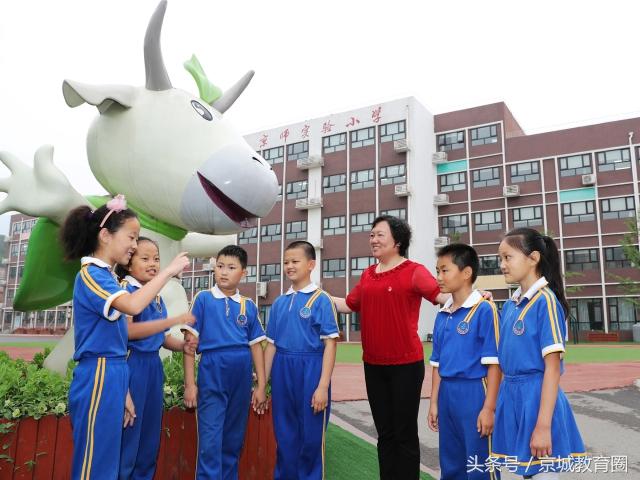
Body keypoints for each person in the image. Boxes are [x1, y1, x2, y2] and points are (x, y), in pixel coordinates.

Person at [60, 195, 190, 480]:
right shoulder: (92, 274)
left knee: (108, 464)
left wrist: (125, 392)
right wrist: (168, 271)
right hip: (99, 372)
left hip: (116, 370)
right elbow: (131, 307)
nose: (134, 244)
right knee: (94, 465)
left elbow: (118, 337)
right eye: (131, 237)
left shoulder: (105, 276)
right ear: (105, 235)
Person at [332, 214, 448, 480]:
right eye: (372, 235)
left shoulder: (414, 271)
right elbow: (349, 305)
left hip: (406, 365)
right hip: (373, 364)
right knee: (384, 434)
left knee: (404, 433)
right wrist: (314, 295)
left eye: (379, 234)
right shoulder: (368, 275)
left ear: (397, 241)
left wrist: (475, 296)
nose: (373, 239)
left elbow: (441, 296)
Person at [492, 228, 585, 479]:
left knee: (542, 473)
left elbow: (552, 369)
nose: (502, 265)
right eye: (500, 258)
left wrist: (543, 426)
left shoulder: (545, 301)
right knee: (526, 473)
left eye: (507, 257)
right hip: (512, 396)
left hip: (537, 399)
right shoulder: (511, 305)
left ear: (533, 258)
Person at [182, 244, 268, 480]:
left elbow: (256, 346)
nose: (223, 272)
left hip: (240, 376)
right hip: (212, 372)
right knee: (210, 442)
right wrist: (190, 384)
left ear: (244, 272)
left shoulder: (248, 305)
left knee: (233, 440)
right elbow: (190, 344)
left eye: (231, 267)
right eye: (220, 266)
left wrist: (260, 385)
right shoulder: (203, 299)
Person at [116, 237, 196, 480]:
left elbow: (160, 338)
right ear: (129, 264)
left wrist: (184, 346)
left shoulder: (155, 296)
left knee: (149, 437)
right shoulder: (125, 292)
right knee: (130, 433)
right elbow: (127, 332)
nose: (153, 263)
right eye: (145, 258)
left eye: (157, 258)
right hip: (132, 365)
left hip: (152, 367)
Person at [264, 241, 339, 480]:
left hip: (311, 370)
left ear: (311, 265)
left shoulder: (322, 300)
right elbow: (272, 345)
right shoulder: (278, 303)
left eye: (295, 261)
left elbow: (330, 344)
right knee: (285, 436)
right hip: (282, 370)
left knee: (310, 439)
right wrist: (261, 383)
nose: (289, 266)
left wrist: (322, 387)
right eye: (286, 262)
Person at [427, 244, 501, 480]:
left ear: (466, 272)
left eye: (445, 270)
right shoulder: (442, 314)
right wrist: (434, 402)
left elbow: (495, 364)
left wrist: (489, 409)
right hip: (447, 393)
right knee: (451, 464)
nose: (439, 277)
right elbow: (437, 363)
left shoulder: (485, 310)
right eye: (437, 271)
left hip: (474, 393)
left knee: (479, 464)